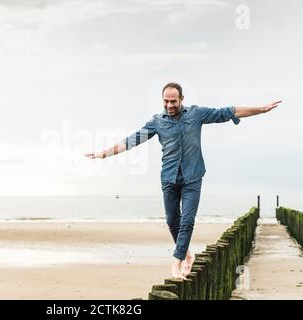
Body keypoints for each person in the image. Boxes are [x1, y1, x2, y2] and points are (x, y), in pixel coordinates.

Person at [85, 82, 281, 279]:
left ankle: (176, 264)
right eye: (166, 101)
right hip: (169, 178)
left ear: (182, 100)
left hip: (193, 178)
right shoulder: (157, 122)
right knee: (173, 222)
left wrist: (261, 110)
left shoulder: (196, 114)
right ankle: (187, 255)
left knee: (187, 221)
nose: (169, 105)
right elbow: (131, 141)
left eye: (173, 101)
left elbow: (228, 111)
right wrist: (104, 154)